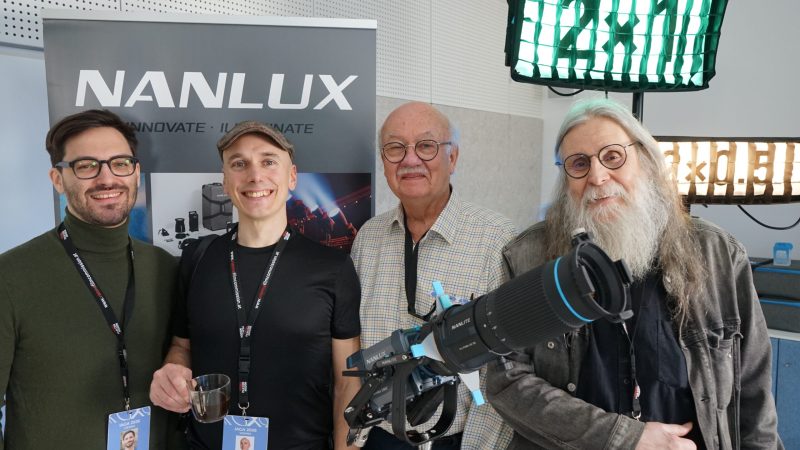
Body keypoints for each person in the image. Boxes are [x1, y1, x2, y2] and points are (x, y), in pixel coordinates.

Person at [486, 98, 783, 449]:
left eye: (613, 157)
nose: (597, 177)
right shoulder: (527, 257)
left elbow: (754, 394)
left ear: (646, 160)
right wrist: (626, 438)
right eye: (579, 163)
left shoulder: (720, 255)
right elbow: (507, 382)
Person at [149, 121, 362, 450]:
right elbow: (182, 346)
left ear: (292, 177)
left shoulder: (332, 267)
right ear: (225, 180)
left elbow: (348, 383)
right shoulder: (197, 258)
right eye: (239, 163)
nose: (255, 175)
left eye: (269, 161)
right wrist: (172, 370)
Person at [0, 109, 183, 449]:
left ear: (136, 172)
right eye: (86, 166)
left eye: (120, 163)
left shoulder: (165, 268)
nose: (107, 179)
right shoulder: (10, 276)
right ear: (58, 179)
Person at [350, 102, 515, 450]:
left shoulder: (497, 240)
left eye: (426, 146)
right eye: (395, 148)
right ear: (384, 162)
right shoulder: (367, 238)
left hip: (453, 442)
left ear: (452, 158)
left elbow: (508, 373)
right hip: (374, 438)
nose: (410, 160)